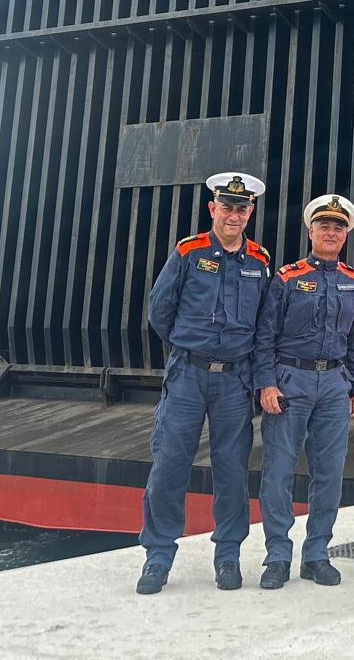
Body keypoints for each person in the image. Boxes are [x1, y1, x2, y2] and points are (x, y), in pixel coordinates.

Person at [137, 172, 271, 595]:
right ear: (213, 208)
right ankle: (158, 556)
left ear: (250, 212)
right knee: (169, 463)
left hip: (234, 379)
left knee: (232, 470)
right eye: (227, 207)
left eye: (242, 208)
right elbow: (160, 310)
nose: (234, 215)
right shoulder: (189, 252)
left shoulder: (259, 261)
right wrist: (189, 346)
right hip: (188, 375)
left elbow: (264, 324)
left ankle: (227, 555)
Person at [253, 194, 354, 590]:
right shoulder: (286, 278)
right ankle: (277, 555)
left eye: (338, 227)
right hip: (291, 380)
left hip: (334, 384)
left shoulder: (353, 280)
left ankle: (317, 554)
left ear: (345, 234)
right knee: (279, 471)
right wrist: (266, 382)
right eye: (324, 226)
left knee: (330, 473)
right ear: (311, 231)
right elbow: (265, 334)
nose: (331, 232)